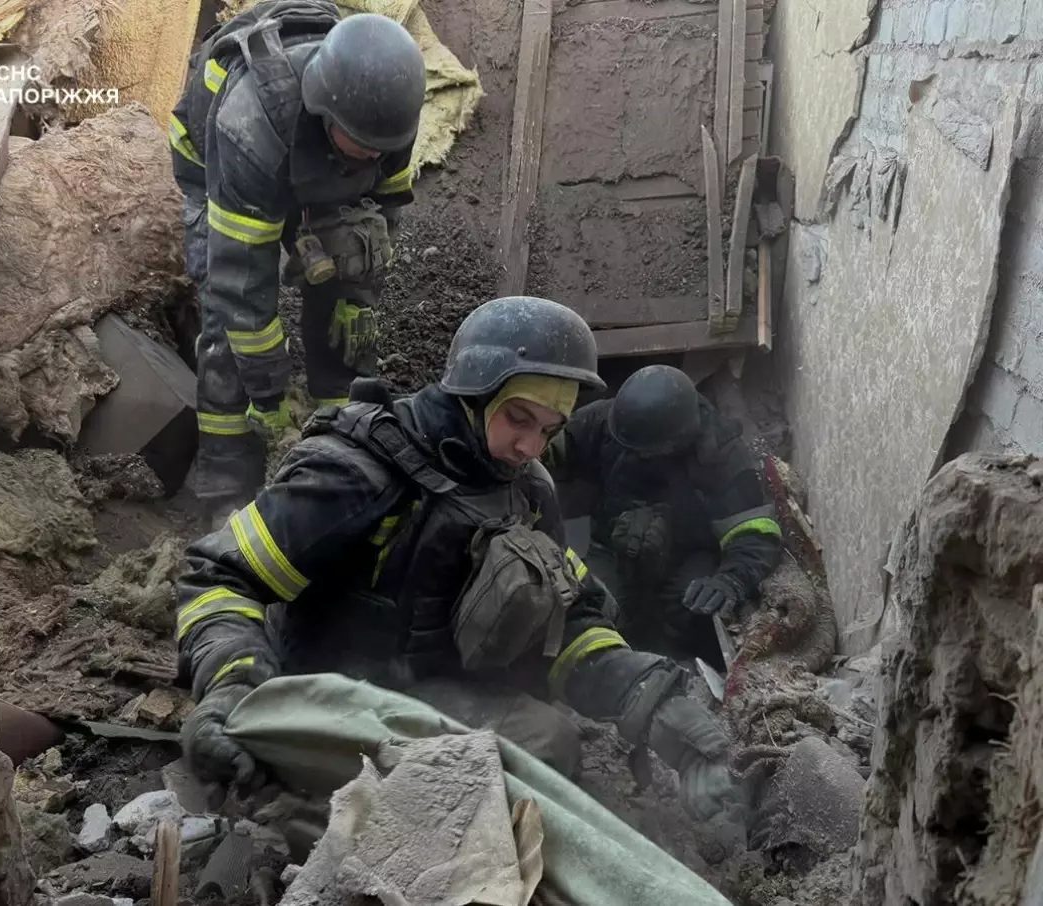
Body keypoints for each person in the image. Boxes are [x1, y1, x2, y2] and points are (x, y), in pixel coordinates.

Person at [173, 296, 738, 821]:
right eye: (519, 418)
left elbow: (573, 620)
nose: (530, 448)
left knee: (550, 745)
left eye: (549, 430)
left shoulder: (526, 492)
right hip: (317, 696)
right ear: (473, 393)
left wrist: (651, 700)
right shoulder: (358, 470)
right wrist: (230, 685)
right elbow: (220, 575)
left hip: (426, 696)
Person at [169, 0, 427, 517]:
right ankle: (226, 485)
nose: (374, 156)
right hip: (221, 168)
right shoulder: (252, 123)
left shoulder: (387, 120)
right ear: (325, 110)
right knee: (229, 328)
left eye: (380, 148)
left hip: (316, 166)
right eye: (362, 145)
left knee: (349, 290)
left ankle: (342, 436)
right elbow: (242, 283)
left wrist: (358, 296)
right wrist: (269, 393)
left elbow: (386, 211)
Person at [547, 364, 782, 666]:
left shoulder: (720, 452)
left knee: (698, 609)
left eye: (647, 451)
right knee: (588, 605)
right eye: (630, 448)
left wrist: (730, 581)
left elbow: (753, 531)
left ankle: (687, 661)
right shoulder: (603, 421)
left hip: (687, 556)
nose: (638, 457)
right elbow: (547, 447)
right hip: (610, 547)